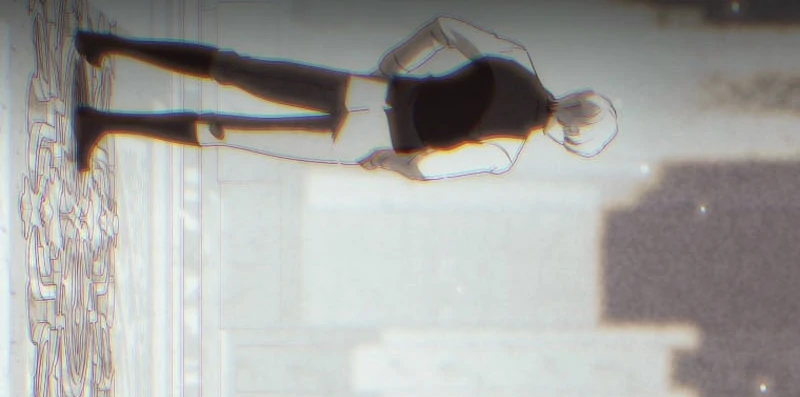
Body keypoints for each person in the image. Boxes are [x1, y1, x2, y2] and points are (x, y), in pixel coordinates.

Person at [73, 15, 618, 179]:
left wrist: (394, 65)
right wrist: (392, 163)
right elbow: (425, 169)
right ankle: (102, 122)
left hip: (369, 90)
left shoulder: (516, 60)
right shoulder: (506, 151)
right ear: (570, 139)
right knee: (225, 131)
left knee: (236, 70)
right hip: (364, 138)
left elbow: (445, 28)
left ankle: (108, 46)